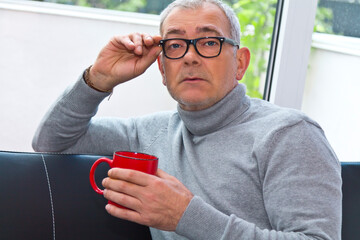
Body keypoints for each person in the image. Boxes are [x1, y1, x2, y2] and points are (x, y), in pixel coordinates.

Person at [32, 0, 342, 239]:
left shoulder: (289, 134)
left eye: (209, 42)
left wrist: (186, 215)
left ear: (240, 63)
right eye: (176, 45)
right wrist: (98, 79)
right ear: (163, 70)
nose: (190, 57)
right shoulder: (148, 132)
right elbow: (52, 141)